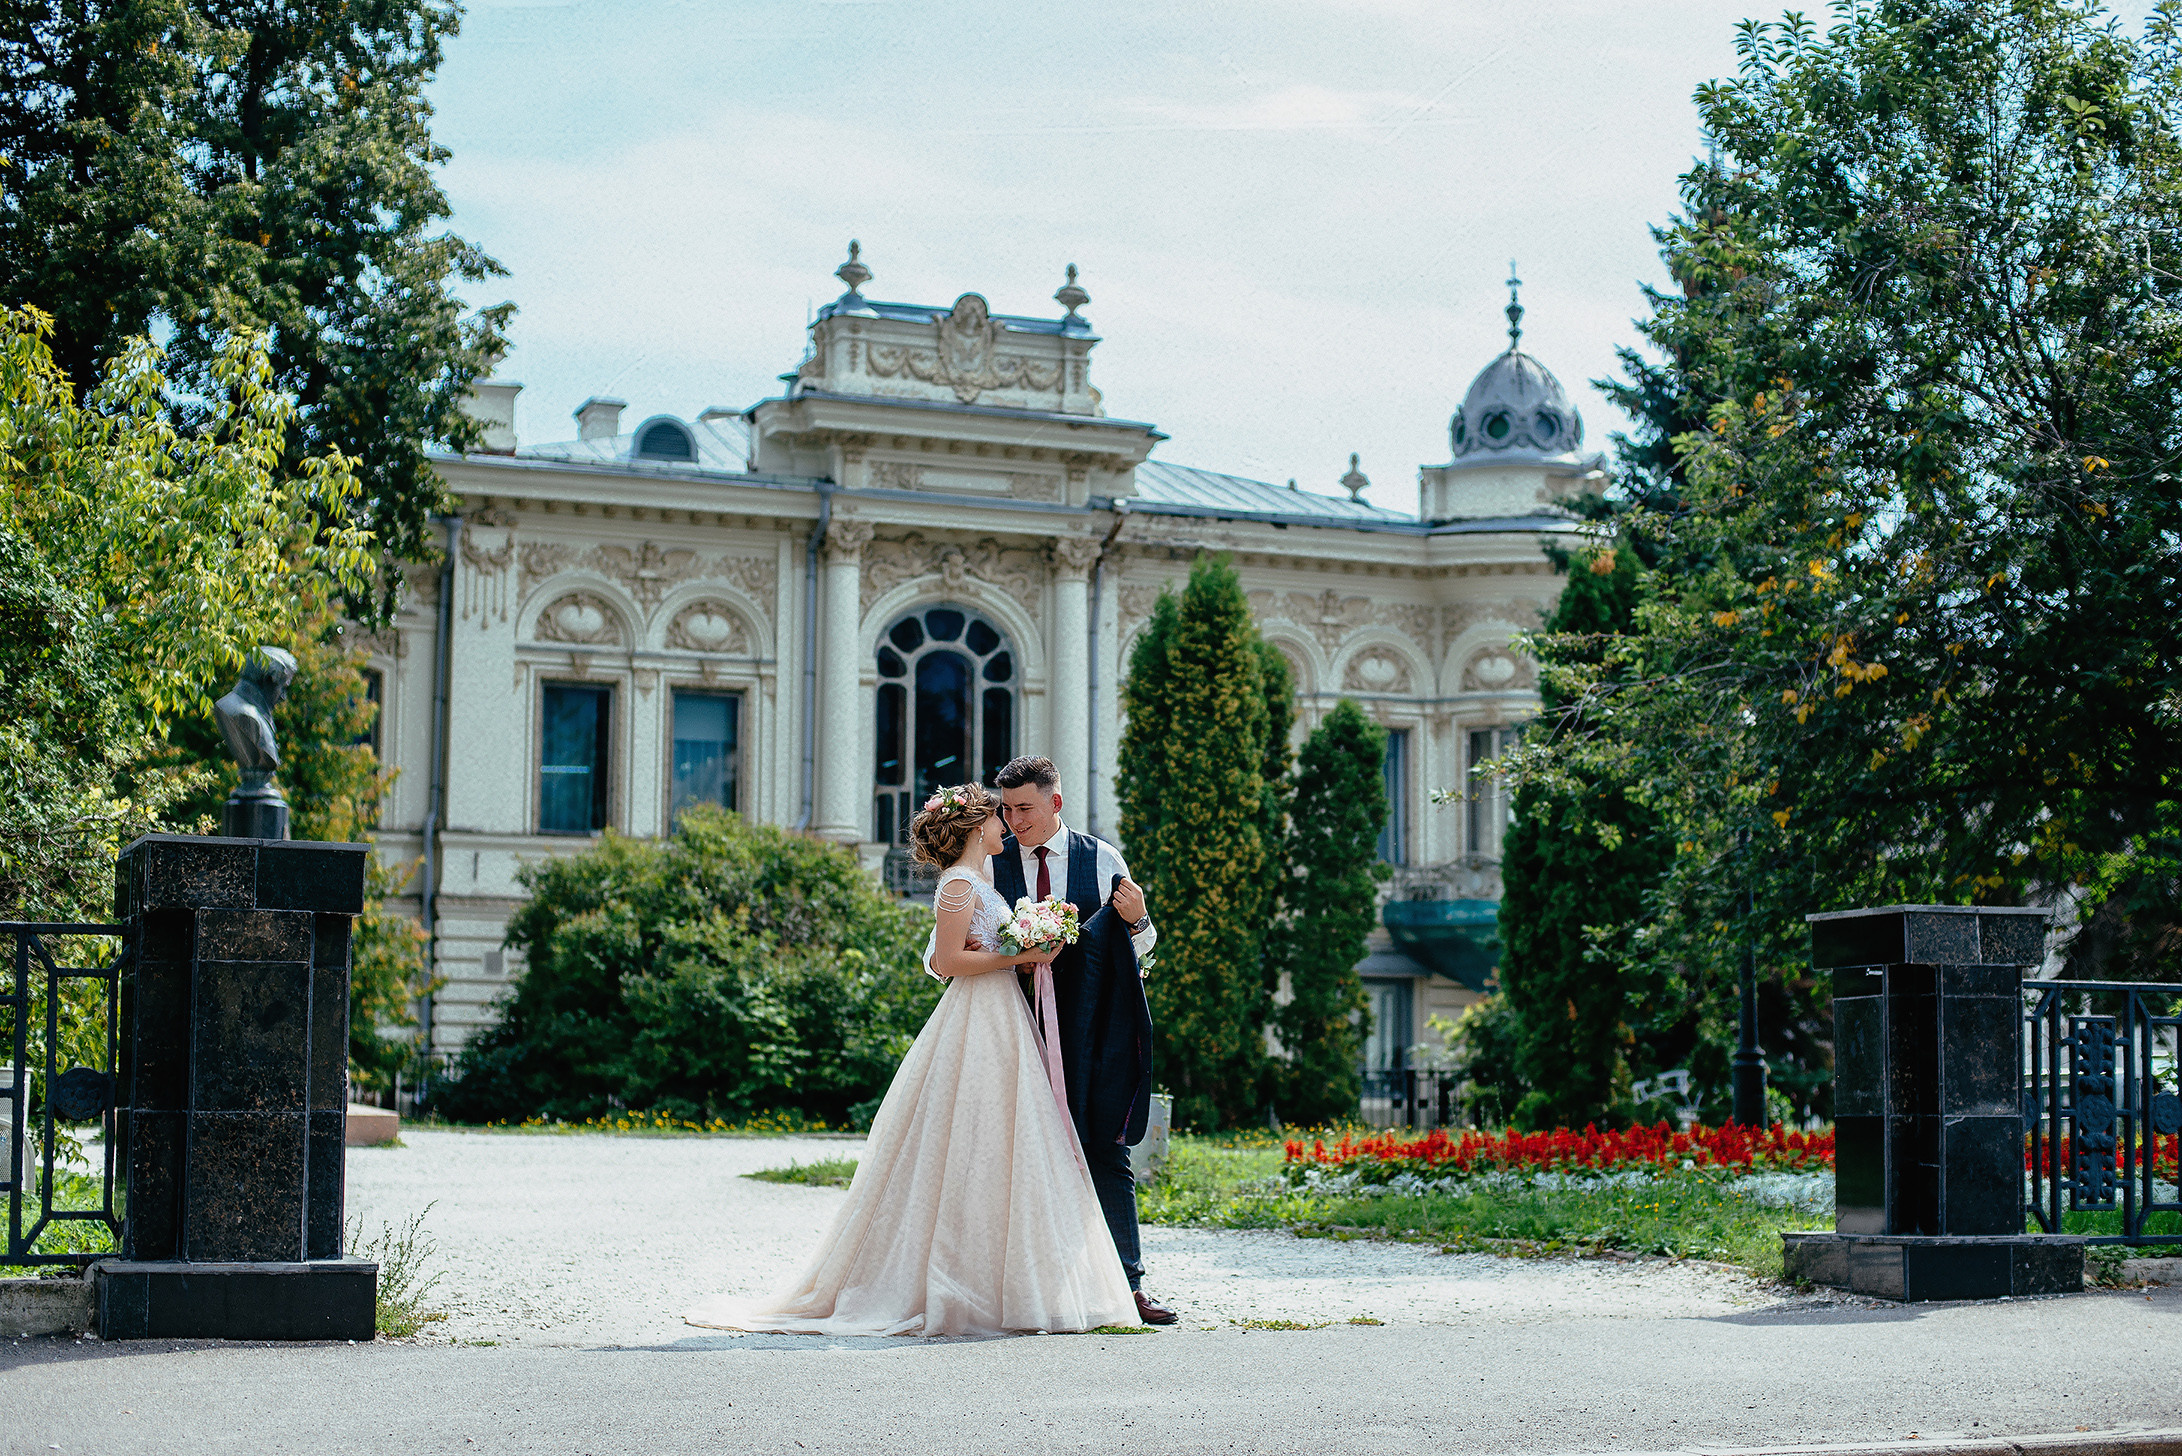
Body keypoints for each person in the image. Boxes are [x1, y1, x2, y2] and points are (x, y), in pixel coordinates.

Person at [684, 782, 1137, 1337]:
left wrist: (1019, 954)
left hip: (1002, 1015)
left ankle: (1005, 1280)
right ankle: (946, 1280)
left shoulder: (980, 880)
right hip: (979, 1016)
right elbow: (947, 961)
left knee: (1003, 1141)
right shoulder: (957, 886)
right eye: (998, 819)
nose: (1006, 827)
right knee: (968, 1138)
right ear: (977, 830)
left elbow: (975, 950)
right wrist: (1020, 953)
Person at [990, 755, 1177, 1326]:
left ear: (1055, 803)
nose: (1014, 821)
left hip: (1092, 1032)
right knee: (1011, 1153)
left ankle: (1128, 1287)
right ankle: (1017, 1289)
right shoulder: (989, 862)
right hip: (1013, 1029)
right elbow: (947, 951)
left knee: (1105, 1147)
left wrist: (1141, 920)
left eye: (1024, 808)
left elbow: (1137, 952)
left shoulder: (1103, 859)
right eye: (1007, 809)